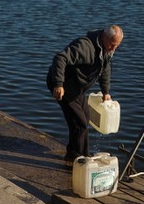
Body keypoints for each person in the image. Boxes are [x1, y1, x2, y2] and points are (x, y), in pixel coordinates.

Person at [46, 25, 124, 163]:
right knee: (79, 122)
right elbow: (60, 58)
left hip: (77, 88)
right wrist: (58, 84)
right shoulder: (85, 47)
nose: (113, 49)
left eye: (117, 46)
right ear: (104, 37)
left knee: (85, 117)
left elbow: (105, 70)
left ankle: (81, 153)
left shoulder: (106, 50)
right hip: (63, 86)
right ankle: (77, 157)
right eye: (112, 45)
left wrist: (106, 92)